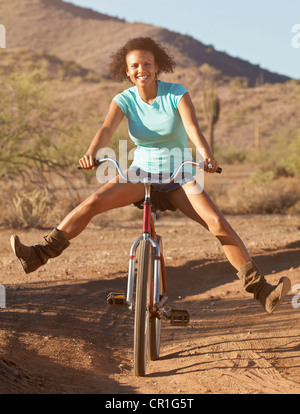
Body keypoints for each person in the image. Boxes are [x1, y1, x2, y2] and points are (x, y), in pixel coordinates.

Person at [10, 37, 291, 314]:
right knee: (93, 202)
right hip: (141, 173)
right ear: (127, 70)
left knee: (217, 223)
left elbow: (193, 129)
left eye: (147, 64)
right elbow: (106, 129)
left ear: (157, 67)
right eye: (134, 65)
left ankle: (261, 290)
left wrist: (206, 155)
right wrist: (91, 153)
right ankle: (38, 255)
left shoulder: (177, 94)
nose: (140, 69)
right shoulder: (124, 100)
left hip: (178, 175)